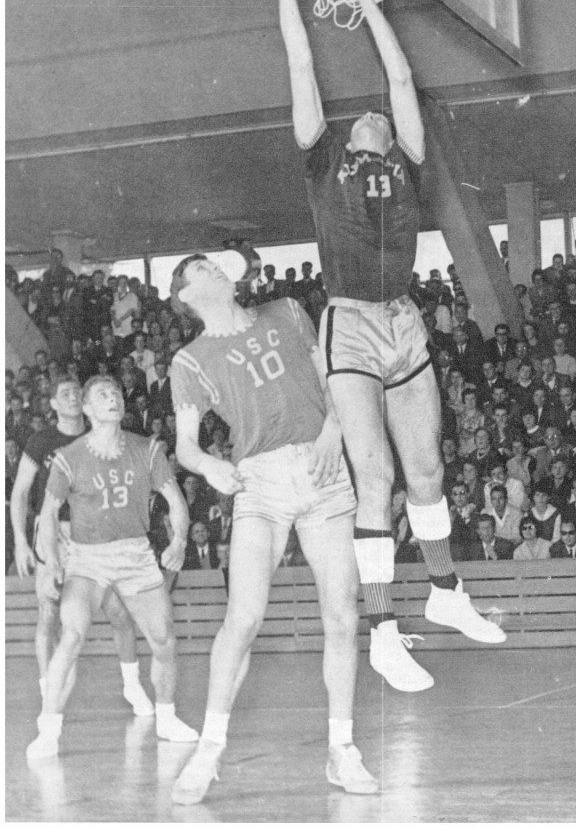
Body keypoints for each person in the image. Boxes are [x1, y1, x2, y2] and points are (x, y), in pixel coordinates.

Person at [272, 0, 504, 691]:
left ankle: (445, 594)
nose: (371, 110)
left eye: (377, 113)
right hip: (350, 326)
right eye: (362, 116)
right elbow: (301, 65)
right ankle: (381, 629)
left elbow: (401, 78)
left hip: (404, 320)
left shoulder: (403, 159)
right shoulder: (320, 162)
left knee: (428, 471)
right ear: (346, 139)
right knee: (374, 480)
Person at [168, 254, 377, 803]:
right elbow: (186, 446)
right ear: (187, 296)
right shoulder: (189, 361)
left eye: (217, 265)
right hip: (258, 482)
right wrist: (210, 465)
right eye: (203, 271)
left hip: (323, 466)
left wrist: (336, 427)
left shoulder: (285, 310)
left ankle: (342, 749)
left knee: (342, 612)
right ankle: (209, 750)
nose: (217, 271)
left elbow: (334, 376)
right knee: (243, 616)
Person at [25, 375, 196, 759]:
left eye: (117, 391)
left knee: (164, 637)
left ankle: (166, 718)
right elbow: (48, 515)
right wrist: (52, 560)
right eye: (102, 394)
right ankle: (48, 729)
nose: (113, 397)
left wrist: (180, 540)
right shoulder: (69, 457)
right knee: (71, 633)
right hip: (87, 558)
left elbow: (175, 500)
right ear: (86, 409)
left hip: (135, 554)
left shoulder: (147, 449)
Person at [10, 376, 153, 718]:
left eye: (77, 391)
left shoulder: (101, 437)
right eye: (64, 393)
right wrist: (19, 541)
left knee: (119, 612)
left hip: (94, 530)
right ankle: (49, 693)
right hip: (54, 531)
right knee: (48, 612)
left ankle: (131, 684)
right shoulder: (42, 440)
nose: (72, 396)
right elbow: (20, 493)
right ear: (54, 404)